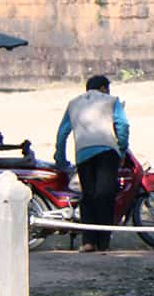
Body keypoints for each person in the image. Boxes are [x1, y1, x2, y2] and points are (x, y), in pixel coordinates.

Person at [55, 75, 130, 252]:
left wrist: (60, 158)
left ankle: (88, 242)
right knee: (105, 195)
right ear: (104, 88)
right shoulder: (112, 100)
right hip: (106, 151)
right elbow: (123, 125)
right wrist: (122, 149)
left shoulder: (73, 103)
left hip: (83, 154)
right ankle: (103, 242)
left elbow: (62, 132)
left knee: (88, 197)